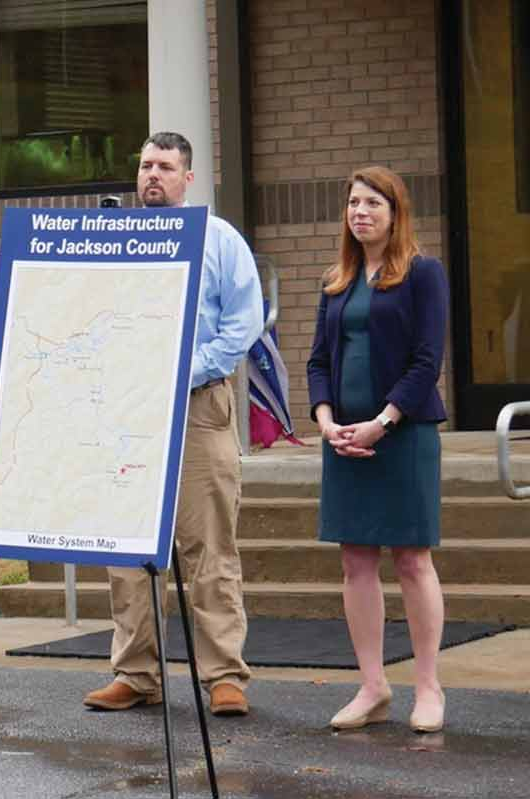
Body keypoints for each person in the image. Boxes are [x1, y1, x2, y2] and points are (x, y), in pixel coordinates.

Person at [83, 132, 263, 716]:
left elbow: (245, 323)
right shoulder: (116, 243)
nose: (151, 175)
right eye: (144, 166)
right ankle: (134, 674)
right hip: (126, 411)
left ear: (189, 178)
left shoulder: (218, 240)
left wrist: (184, 370)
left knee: (207, 545)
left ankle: (223, 678)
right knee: (128, 547)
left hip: (198, 407)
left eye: (164, 166)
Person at [307, 167, 448, 733]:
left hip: (402, 434)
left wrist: (382, 422)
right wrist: (325, 422)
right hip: (344, 441)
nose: (360, 212)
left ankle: (428, 686)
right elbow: (318, 361)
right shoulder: (336, 280)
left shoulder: (422, 273)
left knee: (412, 561)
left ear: (395, 212)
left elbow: (426, 361)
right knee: (355, 562)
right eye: (353, 203)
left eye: (372, 203)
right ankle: (372, 686)